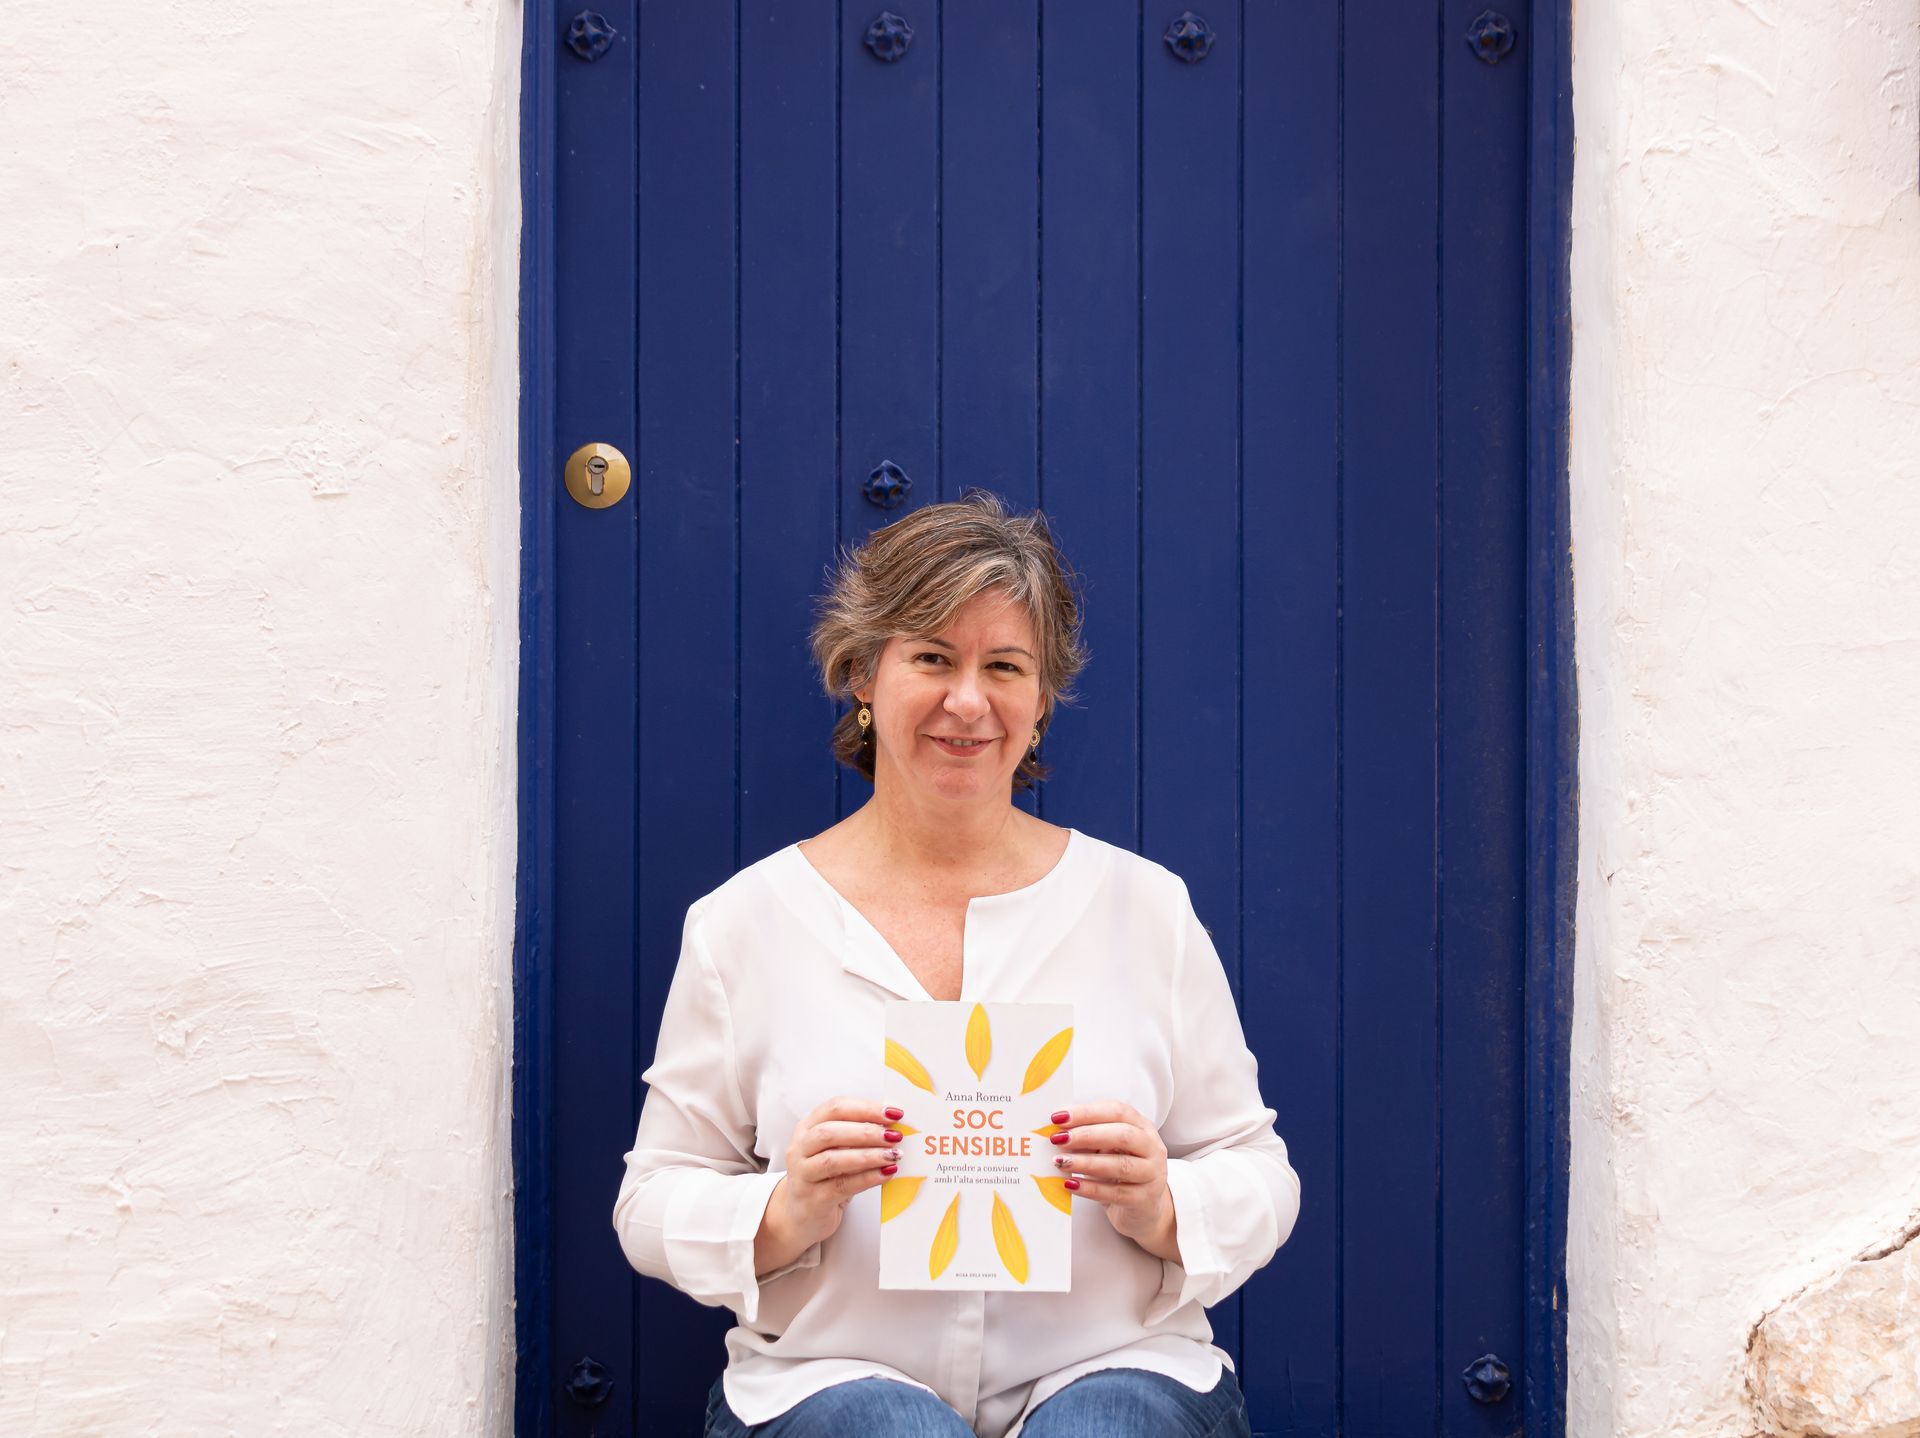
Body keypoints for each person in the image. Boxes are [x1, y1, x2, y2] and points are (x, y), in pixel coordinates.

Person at [613, 492, 1300, 1437]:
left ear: (1042, 700)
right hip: (827, 1378)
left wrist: (1165, 1203)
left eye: (1005, 666)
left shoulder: (1143, 909)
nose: (968, 701)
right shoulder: (745, 924)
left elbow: (1258, 1170)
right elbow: (651, 1200)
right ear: (863, 674)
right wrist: (782, 1211)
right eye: (933, 658)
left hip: (1116, 1366)